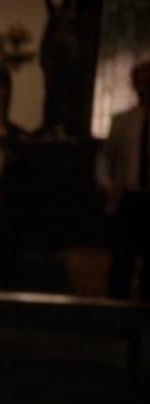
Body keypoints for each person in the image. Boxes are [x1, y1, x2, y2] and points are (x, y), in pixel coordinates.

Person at [97, 60, 150, 302]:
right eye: (141, 82)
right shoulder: (124, 121)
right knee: (122, 259)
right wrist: (107, 183)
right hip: (128, 197)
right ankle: (116, 308)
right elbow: (106, 157)